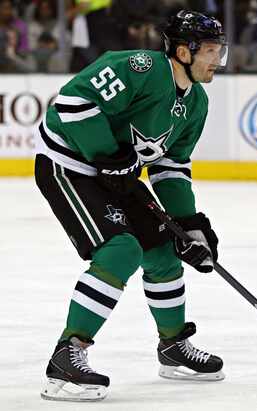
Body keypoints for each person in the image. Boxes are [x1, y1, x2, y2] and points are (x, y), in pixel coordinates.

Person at [35, 9, 228, 402]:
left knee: (163, 253)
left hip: (114, 175)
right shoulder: (138, 68)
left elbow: (170, 165)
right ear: (183, 52)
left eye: (218, 50)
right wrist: (108, 154)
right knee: (121, 248)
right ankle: (65, 357)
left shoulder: (197, 103)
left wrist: (188, 223)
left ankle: (173, 347)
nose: (216, 60)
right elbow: (71, 102)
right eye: (209, 50)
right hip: (68, 165)